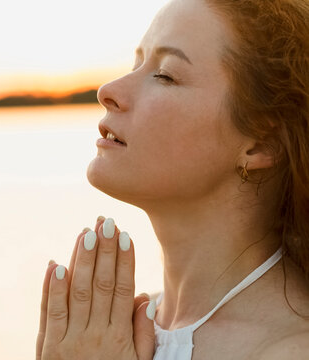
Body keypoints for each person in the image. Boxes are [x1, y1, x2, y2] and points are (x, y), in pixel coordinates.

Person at [35, 0, 309, 359]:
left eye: (164, 74)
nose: (108, 90)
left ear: (261, 143)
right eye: (135, 64)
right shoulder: (109, 335)